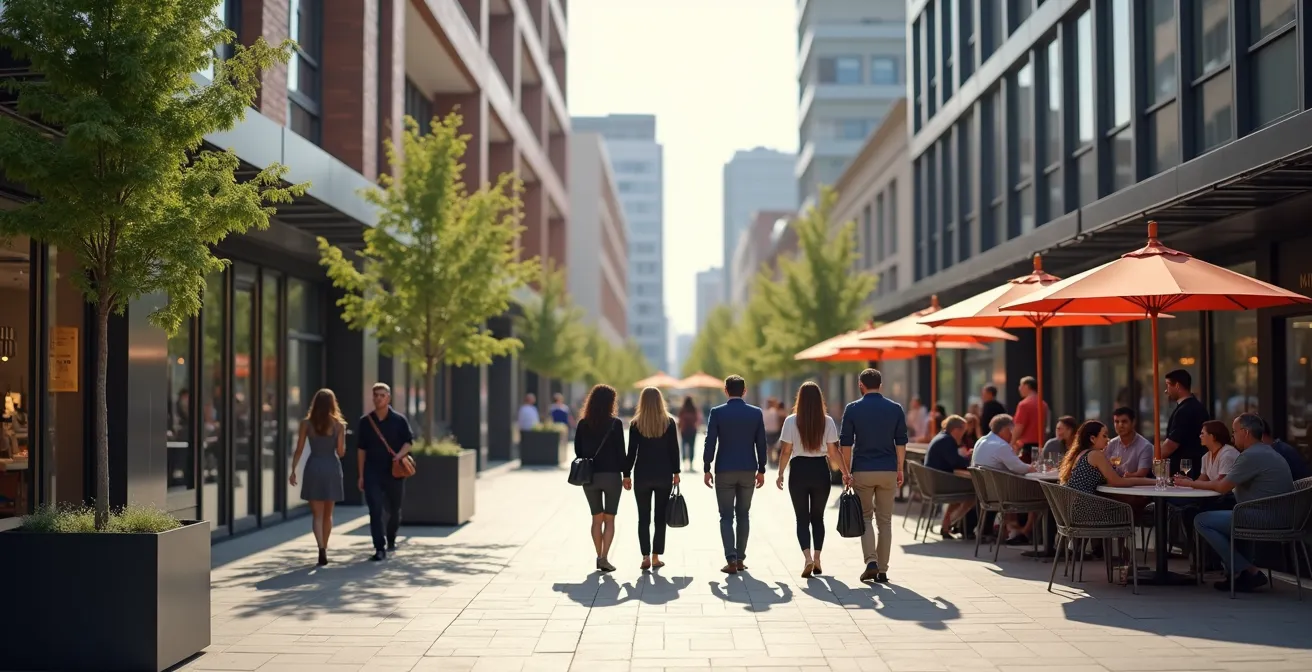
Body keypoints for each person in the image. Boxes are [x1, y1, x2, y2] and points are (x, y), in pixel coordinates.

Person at [1175, 413, 1295, 592]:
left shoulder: (1250, 456)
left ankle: (1248, 570)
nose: (1232, 437)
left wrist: (1190, 483)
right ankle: (1240, 575)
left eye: (1234, 432)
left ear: (1245, 433)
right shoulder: (1266, 451)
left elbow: (1222, 487)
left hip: (1266, 517)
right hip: (1278, 514)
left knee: (1201, 520)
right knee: (1232, 515)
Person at [840, 368, 907, 584]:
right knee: (885, 521)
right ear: (881, 384)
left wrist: (846, 471)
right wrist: (900, 468)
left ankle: (871, 562)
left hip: (863, 469)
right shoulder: (895, 408)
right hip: (888, 469)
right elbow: (901, 442)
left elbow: (846, 443)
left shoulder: (852, 409)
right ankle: (884, 570)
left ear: (861, 384)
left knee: (866, 517)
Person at [775, 381, 846, 578]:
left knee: (801, 518)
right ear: (819, 400)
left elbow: (786, 451)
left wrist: (780, 473)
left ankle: (807, 557)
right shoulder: (828, 421)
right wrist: (846, 473)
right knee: (818, 518)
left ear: (800, 399)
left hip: (798, 470)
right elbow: (833, 452)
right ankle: (817, 558)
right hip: (820, 470)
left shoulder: (790, 421)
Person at [703, 375, 768, 575]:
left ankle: (730, 559)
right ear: (745, 390)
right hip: (748, 469)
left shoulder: (717, 413)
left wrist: (707, 466)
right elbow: (761, 443)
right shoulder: (755, 413)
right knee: (743, 514)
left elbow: (710, 441)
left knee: (725, 516)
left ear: (725, 390)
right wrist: (762, 469)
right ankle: (740, 559)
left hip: (724, 470)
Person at [625, 387, 681, 571]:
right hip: (663, 474)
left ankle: (645, 557)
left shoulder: (636, 424)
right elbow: (674, 450)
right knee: (659, 518)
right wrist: (676, 473)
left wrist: (626, 474)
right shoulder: (669, 422)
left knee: (643, 518)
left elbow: (631, 452)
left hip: (642, 475)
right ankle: (656, 557)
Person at [288, 388, 346, 566]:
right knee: (328, 514)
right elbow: (341, 452)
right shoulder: (339, 425)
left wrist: (293, 470)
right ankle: (325, 548)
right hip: (331, 467)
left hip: (314, 466)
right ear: (332, 403)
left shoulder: (306, 423)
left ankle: (320, 547)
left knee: (317, 515)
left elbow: (298, 449)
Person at [356, 383, 413, 561]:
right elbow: (361, 450)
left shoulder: (399, 420)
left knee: (394, 509)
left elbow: (409, 442)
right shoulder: (365, 422)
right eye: (376, 395)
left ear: (388, 397)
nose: (378, 398)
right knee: (375, 509)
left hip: (394, 472)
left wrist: (399, 455)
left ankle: (391, 537)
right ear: (372, 398)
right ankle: (379, 548)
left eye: (382, 395)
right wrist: (361, 475)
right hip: (372, 471)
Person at [575, 384, 627, 572]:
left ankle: (598, 556)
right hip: (612, 476)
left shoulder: (583, 424)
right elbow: (622, 453)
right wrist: (627, 475)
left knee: (596, 519)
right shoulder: (616, 424)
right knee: (610, 519)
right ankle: (605, 557)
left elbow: (578, 451)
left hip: (590, 477)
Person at [971, 414, 1034, 544]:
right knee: (1039, 496)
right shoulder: (1001, 445)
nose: (1012, 435)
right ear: (1005, 430)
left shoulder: (981, 441)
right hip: (1000, 495)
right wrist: (1036, 468)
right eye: (1011, 431)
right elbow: (1019, 468)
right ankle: (1024, 533)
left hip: (984, 494)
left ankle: (1011, 530)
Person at [925, 415, 974, 540]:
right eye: (964, 430)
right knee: (973, 494)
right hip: (940, 483)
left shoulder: (942, 437)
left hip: (935, 481)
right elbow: (955, 462)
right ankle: (947, 524)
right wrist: (969, 458)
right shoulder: (947, 441)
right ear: (956, 430)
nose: (964, 434)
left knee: (963, 492)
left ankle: (946, 526)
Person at [1162, 369, 1207, 478]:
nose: (1166, 391)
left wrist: (1155, 459)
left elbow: (1172, 444)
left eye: (1168, 385)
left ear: (1177, 385)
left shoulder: (1185, 410)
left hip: (1184, 473)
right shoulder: (1195, 406)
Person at [1106, 407, 1153, 477]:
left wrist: (1127, 476)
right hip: (1112, 486)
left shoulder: (1145, 446)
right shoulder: (1111, 444)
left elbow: (1141, 474)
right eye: (1117, 422)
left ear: (1133, 422)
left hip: (1135, 487)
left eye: (1124, 421)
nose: (1120, 425)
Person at [1011, 376, 1049, 462]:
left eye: (1020, 385)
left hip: (1026, 446)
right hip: (1040, 444)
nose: (1019, 388)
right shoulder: (1043, 404)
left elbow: (1019, 426)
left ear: (1026, 386)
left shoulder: (1024, 404)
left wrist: (1011, 443)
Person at [677, 396, 702, 472]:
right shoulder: (694, 409)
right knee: (692, 447)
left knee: (683, 446)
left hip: (684, 430)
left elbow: (680, 419)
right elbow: (697, 419)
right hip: (692, 430)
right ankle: (691, 464)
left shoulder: (683, 409)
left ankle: (684, 463)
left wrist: (679, 427)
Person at [763, 397, 784, 463]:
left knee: (769, 447)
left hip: (768, 431)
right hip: (776, 431)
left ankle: (770, 459)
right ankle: (775, 459)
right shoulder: (777, 411)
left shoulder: (765, 412)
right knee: (776, 446)